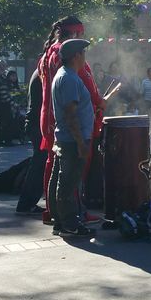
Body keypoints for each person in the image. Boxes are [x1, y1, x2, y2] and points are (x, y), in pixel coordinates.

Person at [36, 16, 112, 227]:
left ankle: (54, 212)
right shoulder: (67, 56)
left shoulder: (47, 54)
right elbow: (86, 84)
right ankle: (73, 215)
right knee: (74, 168)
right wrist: (99, 102)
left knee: (55, 166)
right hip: (69, 118)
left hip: (49, 116)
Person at [48, 39, 96, 238]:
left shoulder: (66, 76)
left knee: (60, 180)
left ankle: (61, 222)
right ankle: (69, 224)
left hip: (66, 138)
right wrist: (80, 142)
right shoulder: (68, 78)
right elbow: (70, 114)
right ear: (76, 55)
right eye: (83, 53)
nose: (85, 57)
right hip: (71, 140)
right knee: (68, 183)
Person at [15, 70, 46, 216]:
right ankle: (26, 203)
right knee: (39, 163)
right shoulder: (42, 72)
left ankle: (28, 202)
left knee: (39, 162)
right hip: (36, 124)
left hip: (34, 123)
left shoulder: (39, 71)